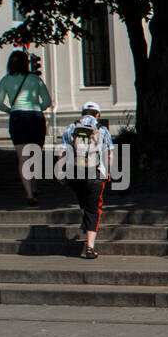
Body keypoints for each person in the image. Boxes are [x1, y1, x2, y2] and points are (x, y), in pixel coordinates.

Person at [0, 50, 53, 204]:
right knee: (35, 155)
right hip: (35, 117)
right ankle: (34, 187)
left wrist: (10, 110)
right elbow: (47, 101)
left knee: (22, 157)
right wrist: (37, 107)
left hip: (17, 118)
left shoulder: (5, 80)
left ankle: (29, 194)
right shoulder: (35, 79)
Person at [59, 101, 114, 260]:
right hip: (95, 174)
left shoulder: (71, 128)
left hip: (74, 174)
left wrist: (60, 172)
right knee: (93, 209)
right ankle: (90, 248)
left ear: (83, 113)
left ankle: (86, 223)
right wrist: (108, 171)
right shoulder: (102, 130)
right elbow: (109, 154)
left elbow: (62, 151)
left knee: (83, 201)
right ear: (98, 114)